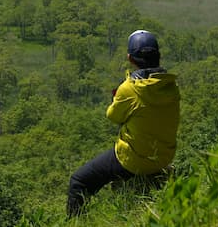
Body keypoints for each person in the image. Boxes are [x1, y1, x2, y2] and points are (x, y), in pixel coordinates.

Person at [66, 29, 180, 217]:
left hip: (134, 159)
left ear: (130, 59)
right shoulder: (171, 86)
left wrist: (120, 94)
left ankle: (74, 226)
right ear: (158, 56)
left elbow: (113, 116)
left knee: (79, 181)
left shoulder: (129, 89)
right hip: (165, 155)